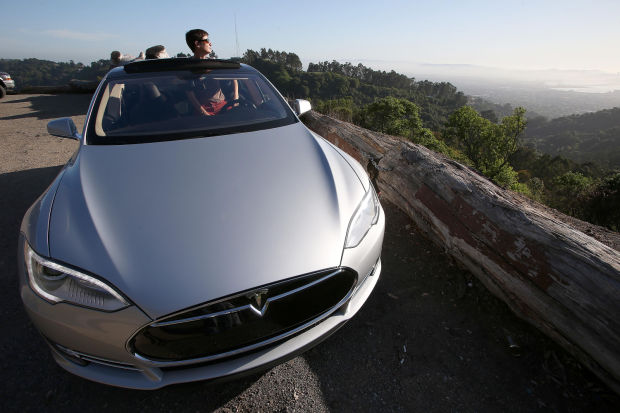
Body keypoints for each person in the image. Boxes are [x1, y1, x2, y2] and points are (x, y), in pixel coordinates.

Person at [184, 29, 238, 116]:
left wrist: (236, 99)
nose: (210, 44)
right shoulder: (187, 68)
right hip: (203, 109)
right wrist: (204, 113)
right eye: (207, 40)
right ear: (197, 44)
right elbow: (190, 94)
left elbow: (234, 77)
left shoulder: (214, 64)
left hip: (222, 105)